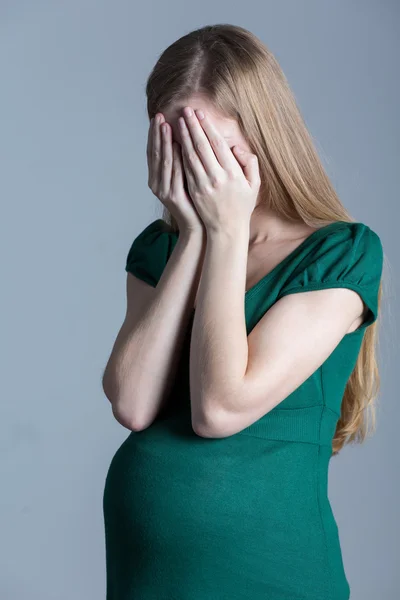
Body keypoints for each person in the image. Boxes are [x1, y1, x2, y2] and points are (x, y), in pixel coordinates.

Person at [101, 24, 384, 600]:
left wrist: (228, 230)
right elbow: (131, 402)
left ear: (264, 136)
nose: (203, 170)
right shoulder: (157, 250)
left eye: (216, 148)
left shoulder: (339, 253)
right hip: (146, 576)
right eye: (182, 148)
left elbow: (220, 407)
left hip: (270, 570)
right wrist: (193, 238)